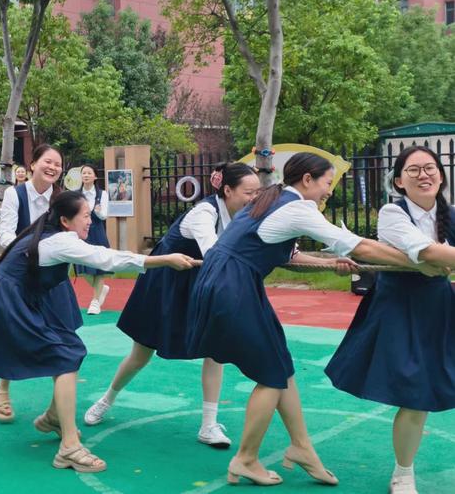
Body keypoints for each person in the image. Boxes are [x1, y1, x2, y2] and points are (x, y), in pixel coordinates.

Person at [184, 152, 445, 487]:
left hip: (226, 281)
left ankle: (301, 448)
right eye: (327, 182)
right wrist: (420, 263)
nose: (329, 191)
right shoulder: (297, 208)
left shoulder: (270, 200)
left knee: (282, 366)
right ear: (307, 179)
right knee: (272, 375)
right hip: (234, 286)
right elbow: (358, 247)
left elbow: (288, 257)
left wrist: (328, 264)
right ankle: (246, 459)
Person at [0, 191, 199, 473]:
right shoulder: (60, 241)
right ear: (65, 220)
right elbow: (106, 259)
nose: (90, 221)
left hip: (26, 295)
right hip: (12, 300)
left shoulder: (52, 234)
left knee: (69, 347)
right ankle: (69, 449)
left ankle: (53, 418)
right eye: (85, 216)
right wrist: (164, 259)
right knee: (65, 356)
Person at [84, 163, 260, 450]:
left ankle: (209, 425)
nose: (254, 198)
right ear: (228, 190)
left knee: (215, 350)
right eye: (249, 192)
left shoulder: (244, 216)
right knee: (141, 354)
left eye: (257, 192)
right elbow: (214, 253)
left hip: (203, 281)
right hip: (166, 282)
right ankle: (106, 399)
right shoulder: (204, 213)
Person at [325, 146, 455, 494]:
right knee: (415, 395)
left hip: (440, 309)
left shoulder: (451, 215)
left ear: (441, 175)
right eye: (413, 170)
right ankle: (403, 474)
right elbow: (426, 252)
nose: (424, 175)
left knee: (432, 388)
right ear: (398, 181)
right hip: (400, 308)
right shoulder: (392, 213)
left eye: (430, 168)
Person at [0, 144, 69, 424]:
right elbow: (5, 233)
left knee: (63, 337)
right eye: (48, 162)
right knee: (13, 332)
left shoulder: (62, 198)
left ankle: (55, 412)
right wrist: (27, 251)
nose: (53, 168)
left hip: (53, 278)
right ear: (33, 164)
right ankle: (3, 388)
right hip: (21, 276)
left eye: (58, 164)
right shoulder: (15, 194)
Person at [74, 164, 111, 315]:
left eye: (89, 173)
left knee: (99, 268)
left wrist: (98, 212)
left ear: (95, 176)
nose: (86, 175)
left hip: (97, 231)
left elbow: (104, 216)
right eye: (84, 173)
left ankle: (95, 302)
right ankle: (102, 289)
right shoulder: (76, 194)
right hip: (81, 233)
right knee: (83, 268)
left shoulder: (102, 194)